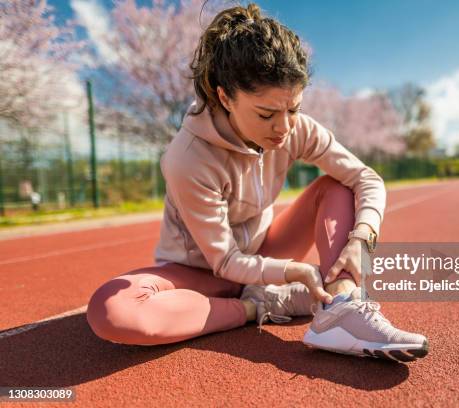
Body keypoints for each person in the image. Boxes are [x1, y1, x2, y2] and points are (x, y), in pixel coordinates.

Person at [86, 3, 428, 363]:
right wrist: (285, 276)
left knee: (338, 185)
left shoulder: (296, 129)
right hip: (201, 271)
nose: (283, 127)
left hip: (265, 251)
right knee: (111, 310)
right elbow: (225, 261)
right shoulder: (187, 157)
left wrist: (363, 238)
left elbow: (366, 178)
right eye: (266, 114)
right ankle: (258, 305)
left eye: (293, 109)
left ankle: (341, 309)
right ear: (224, 97)